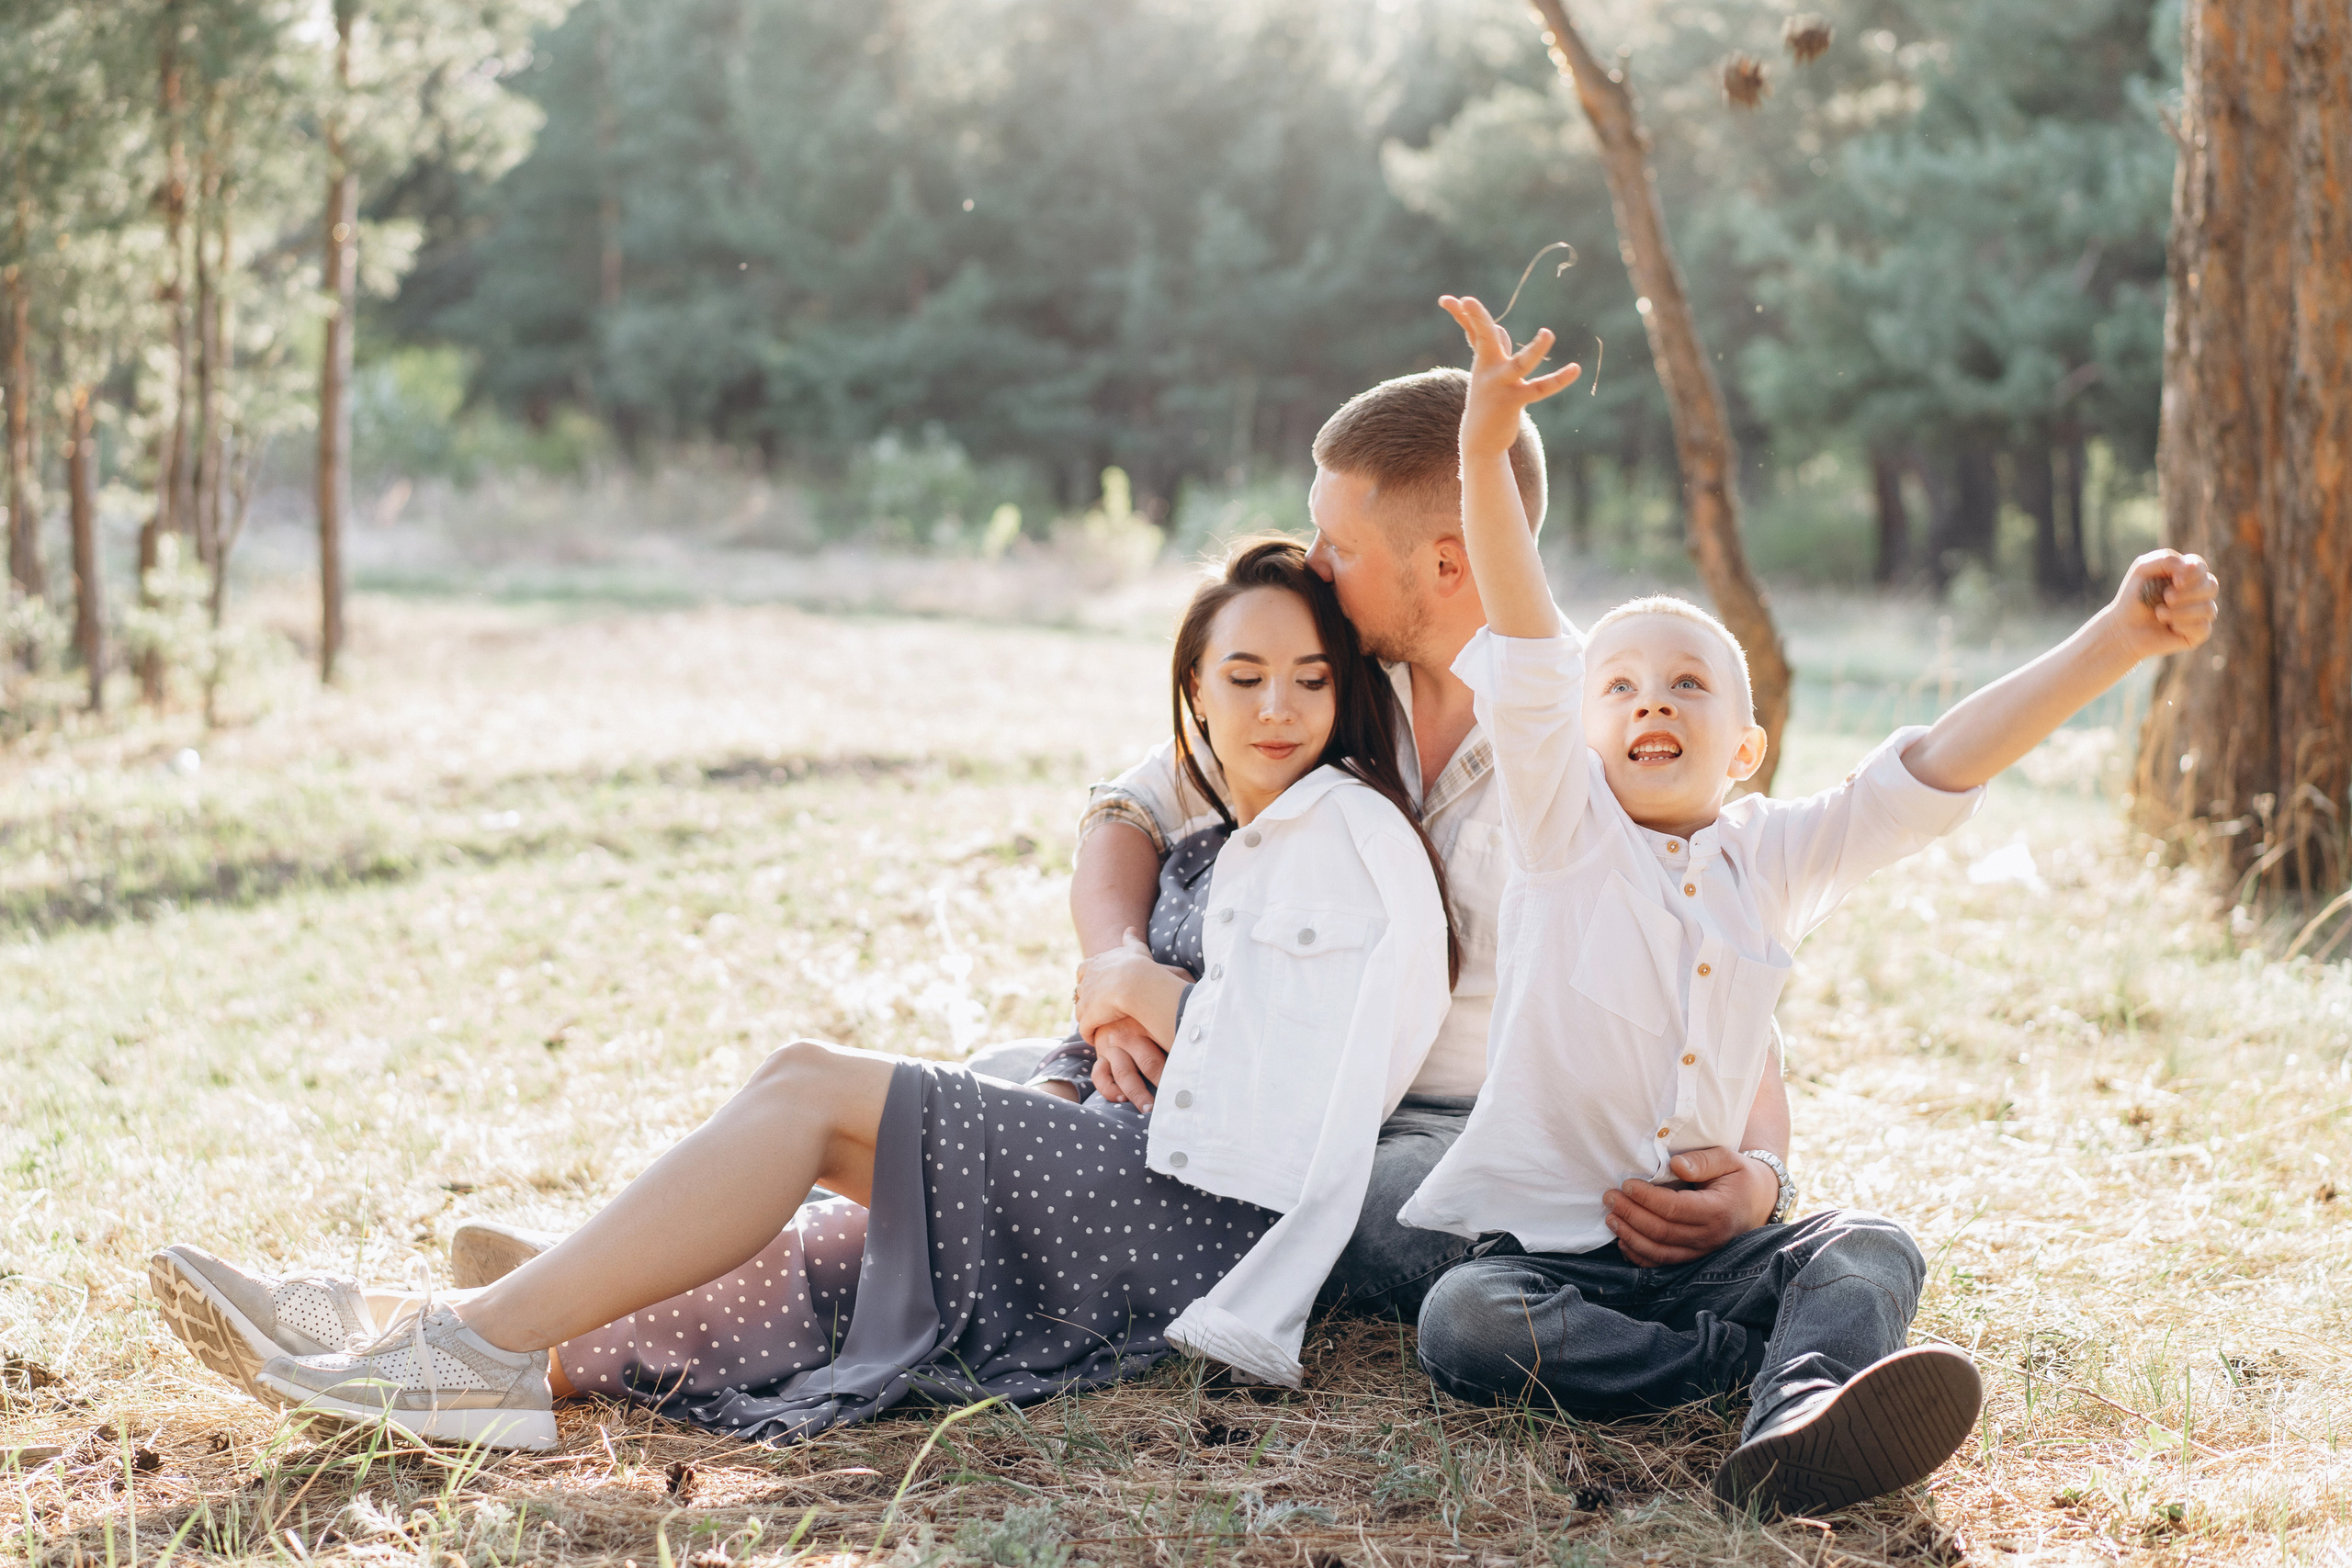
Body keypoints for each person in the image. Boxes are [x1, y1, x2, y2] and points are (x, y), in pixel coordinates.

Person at [147, 538, 1455, 1449]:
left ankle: (464, 1348)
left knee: (806, 1087)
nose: (1278, 707)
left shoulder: (1352, 837)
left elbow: (1305, 1083)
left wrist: (1132, 985)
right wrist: (1094, 1027)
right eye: (1244, 677)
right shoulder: (1220, 837)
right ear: (1194, 698)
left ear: (1344, 696)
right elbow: (1125, 944)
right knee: (807, 1271)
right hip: (1110, 1163)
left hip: (1191, 1210)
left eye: (1310, 679)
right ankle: (388, 1328)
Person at [1400, 292, 2222, 1517]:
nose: (1650, 700)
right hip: (1554, 1263)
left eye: (1688, 683)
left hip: (1725, 1252)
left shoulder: (1772, 857)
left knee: (1874, 1245)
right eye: (1617, 687)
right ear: (1572, 735)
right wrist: (1482, 447)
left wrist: (2115, 639)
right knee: (1463, 1320)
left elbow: (1935, 766)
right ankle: (1750, 1376)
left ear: (1746, 750)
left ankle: (1799, 1414)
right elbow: (1522, 631)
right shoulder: (1561, 834)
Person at [1051, 369, 1790, 1324]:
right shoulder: (1332, 674)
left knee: (1328, 1207)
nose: (1316, 565)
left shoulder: (1598, 721)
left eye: (1341, 543)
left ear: (1446, 564)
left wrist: (1762, 1171)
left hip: (1467, 1127)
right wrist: (1115, 979)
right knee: (1027, 1077)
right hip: (1296, 1069)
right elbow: (1137, 806)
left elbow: (1714, 945)